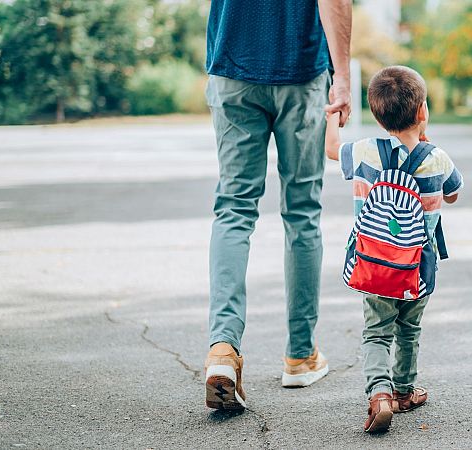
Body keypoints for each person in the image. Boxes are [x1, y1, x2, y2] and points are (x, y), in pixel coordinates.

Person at [203, 0, 352, 410]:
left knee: (233, 208)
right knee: (302, 212)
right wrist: (342, 77)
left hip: (232, 63)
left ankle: (222, 349)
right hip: (300, 72)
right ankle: (301, 356)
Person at [324, 66, 463, 432]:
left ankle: (379, 395)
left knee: (376, 332)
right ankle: (403, 391)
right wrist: (425, 145)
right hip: (417, 267)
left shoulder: (365, 152)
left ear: (377, 115)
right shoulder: (438, 158)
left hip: (373, 267)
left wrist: (333, 116)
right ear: (422, 112)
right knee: (408, 329)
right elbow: (452, 194)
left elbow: (331, 150)